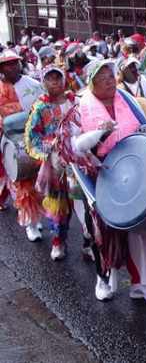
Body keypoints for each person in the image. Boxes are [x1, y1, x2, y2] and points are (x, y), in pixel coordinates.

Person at [61, 59, 146, 302]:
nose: (110, 80)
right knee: (101, 231)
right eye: (103, 76)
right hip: (99, 175)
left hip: (134, 170)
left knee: (138, 228)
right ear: (91, 82)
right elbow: (74, 147)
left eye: (111, 75)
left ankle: (143, 284)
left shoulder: (128, 99)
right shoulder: (79, 107)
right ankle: (104, 278)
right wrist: (100, 133)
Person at [24, 66, 76, 260]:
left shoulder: (75, 101)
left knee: (84, 204)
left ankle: (90, 243)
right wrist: (51, 146)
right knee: (60, 206)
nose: (54, 82)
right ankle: (58, 241)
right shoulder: (40, 107)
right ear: (43, 82)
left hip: (79, 161)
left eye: (57, 77)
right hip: (56, 167)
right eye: (49, 78)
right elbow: (32, 138)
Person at [0, 50, 45, 241]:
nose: (11, 67)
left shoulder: (34, 85)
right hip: (12, 143)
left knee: (40, 183)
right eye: (7, 64)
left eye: (14, 63)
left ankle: (38, 215)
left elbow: (44, 109)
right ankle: (30, 224)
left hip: (36, 140)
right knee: (23, 185)